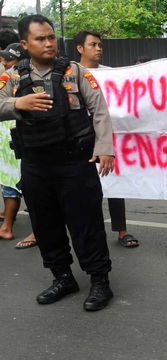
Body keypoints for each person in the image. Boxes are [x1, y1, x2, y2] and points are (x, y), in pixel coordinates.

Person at [0, 15, 115, 311]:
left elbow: (99, 110)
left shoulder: (74, 71)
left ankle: (100, 281)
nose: (49, 43)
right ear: (25, 43)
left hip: (74, 162)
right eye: (40, 38)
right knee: (45, 223)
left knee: (85, 223)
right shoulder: (12, 77)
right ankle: (62, 277)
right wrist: (17, 104)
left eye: (51, 37)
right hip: (36, 165)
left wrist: (105, 149)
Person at [74, 29, 139, 248]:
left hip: (106, 136)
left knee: (114, 180)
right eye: (93, 45)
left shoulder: (111, 74)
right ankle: (87, 232)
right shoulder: (70, 73)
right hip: (80, 138)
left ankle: (122, 230)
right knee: (81, 187)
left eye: (100, 45)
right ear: (80, 48)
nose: (98, 48)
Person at [0, 43, 36, 248]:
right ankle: (7, 226)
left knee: (29, 184)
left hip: (24, 139)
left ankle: (36, 230)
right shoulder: (7, 77)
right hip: (7, 143)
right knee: (10, 183)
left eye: (9, 59)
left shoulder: (28, 77)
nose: (4, 62)